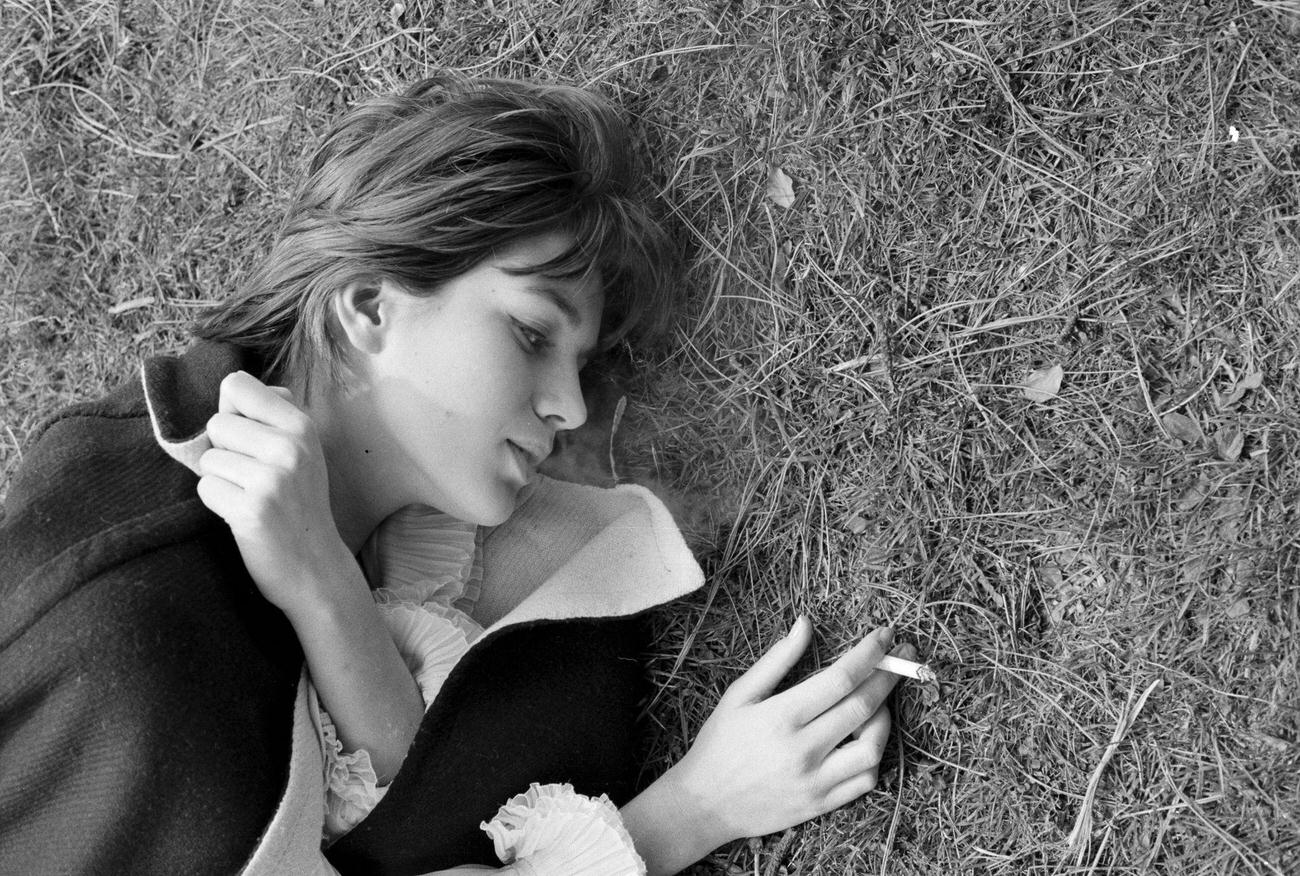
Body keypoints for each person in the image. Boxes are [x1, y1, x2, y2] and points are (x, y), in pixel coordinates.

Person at [0, 74, 913, 875]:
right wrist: (695, 812)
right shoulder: (131, 616)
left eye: (583, 365)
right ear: (369, 306)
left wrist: (324, 584)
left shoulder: (397, 568)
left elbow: (396, 802)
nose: (573, 409)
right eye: (529, 332)